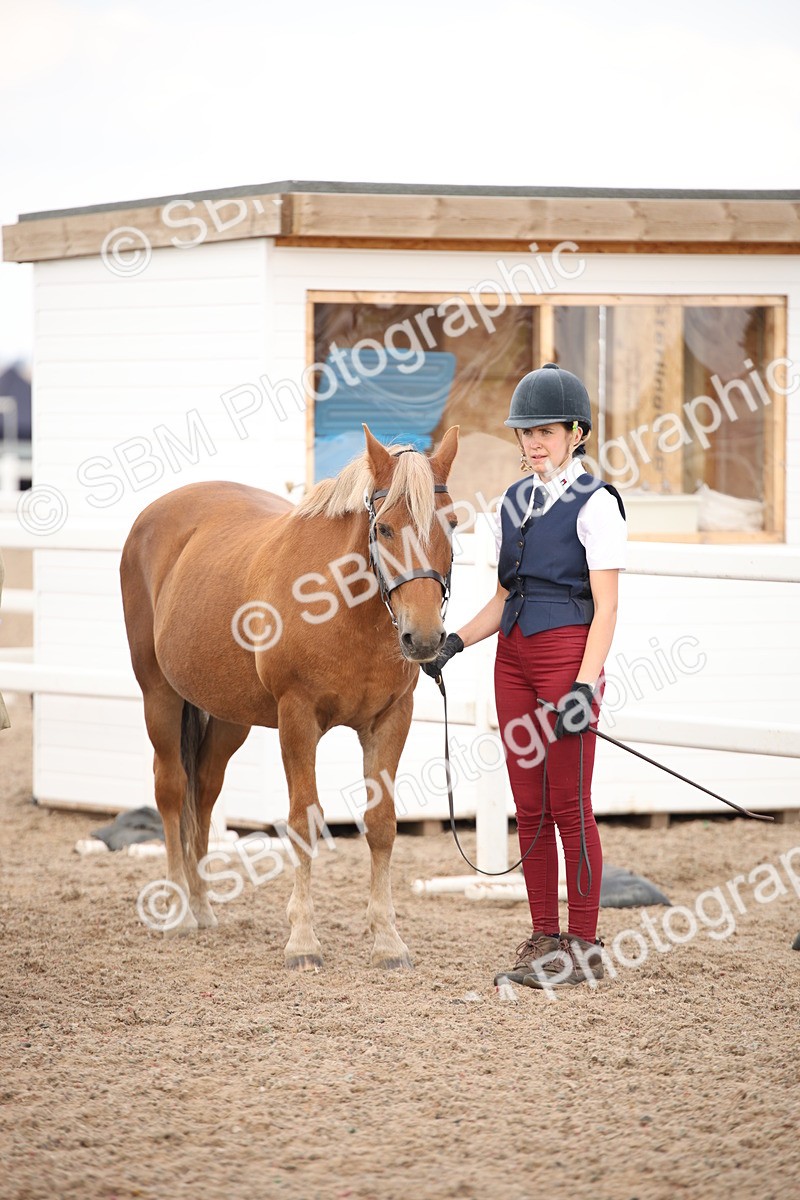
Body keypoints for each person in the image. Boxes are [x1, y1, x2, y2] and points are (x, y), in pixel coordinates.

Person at [423, 363, 626, 989]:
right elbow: (504, 596)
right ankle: (544, 936)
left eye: (546, 431)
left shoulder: (597, 505)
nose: (533, 442)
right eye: (525, 432)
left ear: (575, 433)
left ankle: (585, 944)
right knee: (529, 805)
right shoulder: (512, 503)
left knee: (570, 803)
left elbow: (608, 605)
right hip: (511, 656)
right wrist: (454, 640)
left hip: (566, 654)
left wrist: (585, 686)